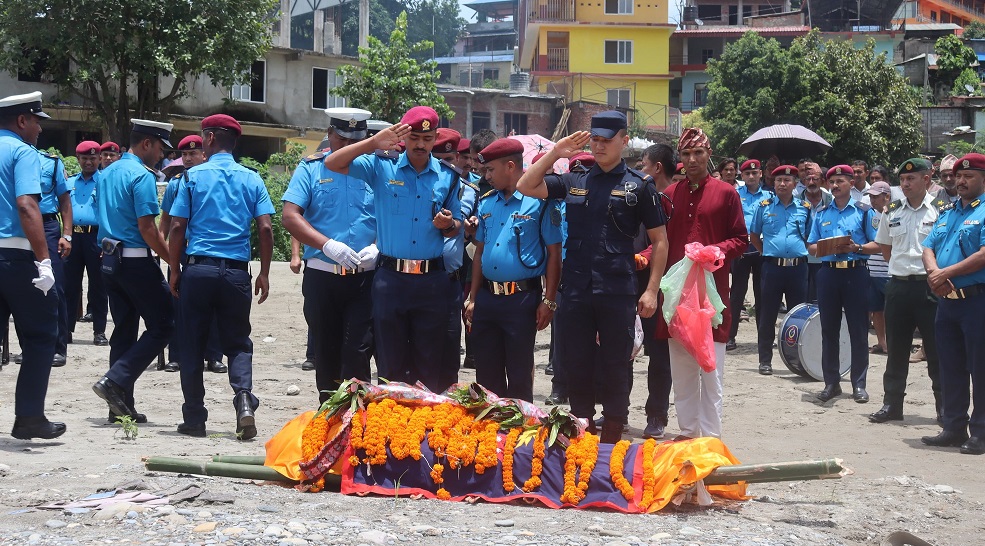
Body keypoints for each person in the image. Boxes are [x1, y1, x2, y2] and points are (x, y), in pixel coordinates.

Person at [517, 110, 669, 443]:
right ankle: (582, 426)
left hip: (617, 288)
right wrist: (556, 153)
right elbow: (525, 185)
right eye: (595, 140)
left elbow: (660, 241)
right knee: (577, 361)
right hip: (577, 289)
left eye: (606, 141)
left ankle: (614, 428)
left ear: (624, 141)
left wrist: (651, 290)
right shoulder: (576, 180)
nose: (599, 147)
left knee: (616, 362)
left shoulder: (639, 186)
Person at [325, 106, 462, 393]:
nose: (420, 144)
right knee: (389, 362)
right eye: (414, 137)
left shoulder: (448, 176)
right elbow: (333, 163)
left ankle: (422, 431)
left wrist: (448, 224)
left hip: (431, 282)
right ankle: (390, 430)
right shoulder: (380, 166)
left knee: (429, 362)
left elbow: (456, 226)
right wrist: (373, 142)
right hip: (391, 280)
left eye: (427, 138)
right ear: (404, 137)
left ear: (435, 137)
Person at [168, 114, 274, 439]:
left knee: (192, 343)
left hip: (198, 269)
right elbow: (266, 228)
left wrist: (174, 269)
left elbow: (175, 227)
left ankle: (195, 419)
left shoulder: (191, 178)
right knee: (238, 342)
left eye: (202, 137)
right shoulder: (253, 179)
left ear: (211, 139)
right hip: (237, 273)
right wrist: (265, 273)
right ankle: (243, 401)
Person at [657, 127, 746, 440]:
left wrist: (717, 250)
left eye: (698, 153)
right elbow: (660, 241)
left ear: (709, 155)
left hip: (711, 300)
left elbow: (741, 239)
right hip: (677, 300)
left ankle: (709, 439)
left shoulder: (726, 193)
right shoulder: (669, 196)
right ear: (679, 159)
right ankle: (687, 432)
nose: (692, 159)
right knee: (681, 373)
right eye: (685, 154)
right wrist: (642, 257)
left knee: (711, 374)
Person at [282, 107, 377, 403]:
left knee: (359, 352)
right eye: (343, 139)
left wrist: (381, 245)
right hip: (323, 276)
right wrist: (327, 245)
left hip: (366, 278)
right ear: (330, 134)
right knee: (326, 353)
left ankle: (359, 424)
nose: (349, 147)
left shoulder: (377, 169)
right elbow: (290, 216)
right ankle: (329, 420)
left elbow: (396, 214)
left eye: (356, 139)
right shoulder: (311, 168)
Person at [91, 119, 176, 425]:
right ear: (147, 144)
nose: (161, 156)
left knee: (124, 330)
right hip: (137, 260)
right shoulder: (141, 176)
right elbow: (148, 228)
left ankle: (119, 407)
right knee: (165, 324)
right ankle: (115, 380)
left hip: (110, 260)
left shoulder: (106, 173)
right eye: (160, 149)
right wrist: (173, 261)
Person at [464, 138, 562, 401]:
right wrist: (473, 298)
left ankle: (518, 435)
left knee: (519, 372)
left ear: (510, 166)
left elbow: (554, 254)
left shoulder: (539, 201)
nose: (487, 176)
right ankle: (492, 433)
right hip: (487, 298)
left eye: (491, 170)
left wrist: (549, 300)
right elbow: (479, 253)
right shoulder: (486, 202)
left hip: (522, 299)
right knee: (486, 372)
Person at [0, 91, 65, 439]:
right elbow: (26, 206)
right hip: (15, 257)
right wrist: (44, 261)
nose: (39, 129)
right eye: (37, 121)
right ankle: (29, 417)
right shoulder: (22, 152)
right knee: (41, 336)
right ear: (23, 120)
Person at [869, 158, 943, 425]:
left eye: (911, 179)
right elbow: (886, 249)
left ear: (926, 180)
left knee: (936, 350)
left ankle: (943, 409)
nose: (905, 184)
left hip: (930, 286)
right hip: (899, 285)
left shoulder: (941, 210)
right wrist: (903, 268)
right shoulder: (893, 210)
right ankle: (892, 404)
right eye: (902, 180)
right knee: (896, 349)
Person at [920, 152, 985, 455]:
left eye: (968, 176)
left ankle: (981, 433)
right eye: (959, 176)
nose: (960, 181)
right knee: (951, 366)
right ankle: (954, 426)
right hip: (946, 302)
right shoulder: (948, 212)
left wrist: (946, 272)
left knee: (980, 368)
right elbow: (929, 246)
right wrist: (934, 273)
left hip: (976, 302)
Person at [807, 165, 878, 404]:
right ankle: (831, 382)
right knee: (829, 329)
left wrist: (855, 248)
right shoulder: (822, 213)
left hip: (855, 273)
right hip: (828, 274)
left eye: (840, 181)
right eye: (832, 182)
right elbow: (812, 247)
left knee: (858, 330)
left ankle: (859, 384)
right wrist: (825, 248)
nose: (835, 186)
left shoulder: (863, 212)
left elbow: (877, 245)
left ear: (851, 183)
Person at [159, 134, 226, 374]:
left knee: (215, 307)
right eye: (184, 154)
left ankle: (214, 355)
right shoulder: (176, 183)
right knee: (177, 304)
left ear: (204, 155)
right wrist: (162, 251)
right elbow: (166, 222)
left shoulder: (217, 181)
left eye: (192, 154)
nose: (187, 158)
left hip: (208, 250)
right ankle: (176, 355)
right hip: (181, 250)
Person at [749, 165, 811, 376]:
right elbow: (754, 235)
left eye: (786, 180)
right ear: (773, 184)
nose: (782, 184)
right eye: (778, 181)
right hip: (772, 268)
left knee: (799, 316)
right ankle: (765, 360)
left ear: (794, 183)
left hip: (798, 268)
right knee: (767, 315)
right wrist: (766, 251)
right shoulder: (763, 206)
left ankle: (798, 360)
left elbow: (810, 236)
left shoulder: (805, 207)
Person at [636, 143, 677, 439]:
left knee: (660, 354)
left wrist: (646, 256)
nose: (640, 169)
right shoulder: (636, 192)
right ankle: (616, 412)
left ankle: (657, 415)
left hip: (665, 286)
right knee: (623, 348)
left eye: (643, 163)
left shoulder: (675, 199)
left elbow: (668, 242)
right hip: (631, 281)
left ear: (657, 168)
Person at [64, 141, 109, 348]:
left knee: (98, 285)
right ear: (78, 159)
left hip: (95, 238)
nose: (89, 162)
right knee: (69, 286)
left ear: (99, 158)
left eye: (93, 158)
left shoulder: (105, 181)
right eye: (84, 158)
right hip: (73, 237)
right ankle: (66, 330)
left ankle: (99, 331)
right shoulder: (70, 182)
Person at [727, 159, 770, 351]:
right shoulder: (735, 195)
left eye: (754, 173)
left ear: (760, 174)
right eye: (747, 174)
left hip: (762, 249)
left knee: (763, 294)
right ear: (741, 176)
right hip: (741, 250)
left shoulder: (770, 196)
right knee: (737, 294)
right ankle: (730, 336)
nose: (751, 177)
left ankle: (764, 337)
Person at [37, 144, 73, 366]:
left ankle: (59, 347)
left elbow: (64, 200)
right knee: (24, 288)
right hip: (16, 225)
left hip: (47, 225)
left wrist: (67, 235)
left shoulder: (51, 163)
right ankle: (29, 345)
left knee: (55, 286)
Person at [863, 181, 892, 354]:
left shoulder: (896, 214)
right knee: (876, 310)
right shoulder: (870, 215)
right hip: (872, 269)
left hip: (890, 271)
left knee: (892, 311)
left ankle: (894, 342)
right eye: (871, 197)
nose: (873, 200)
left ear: (886, 196)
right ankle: (882, 342)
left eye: (876, 196)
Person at [798, 162, 832, 303]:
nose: (811, 182)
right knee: (804, 300)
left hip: (824, 258)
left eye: (815, 179)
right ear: (803, 181)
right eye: (808, 179)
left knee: (823, 300)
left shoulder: (831, 200)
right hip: (802, 259)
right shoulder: (795, 201)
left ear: (822, 181)